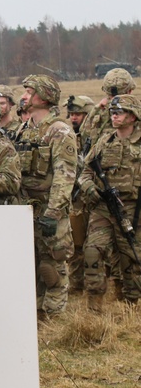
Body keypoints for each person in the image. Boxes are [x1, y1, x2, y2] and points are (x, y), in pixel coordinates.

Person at [14, 74, 77, 318]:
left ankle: (53, 322)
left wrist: (53, 212)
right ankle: (35, 319)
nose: (24, 96)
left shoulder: (59, 131)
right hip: (25, 211)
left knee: (52, 268)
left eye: (29, 92)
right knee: (31, 267)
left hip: (49, 213)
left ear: (44, 96)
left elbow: (65, 175)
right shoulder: (24, 129)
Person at [77, 94, 141, 311]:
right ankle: (94, 308)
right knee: (92, 252)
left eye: (120, 112)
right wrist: (88, 187)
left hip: (133, 210)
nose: (115, 116)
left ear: (133, 116)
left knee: (131, 259)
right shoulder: (104, 141)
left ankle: (132, 307)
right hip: (103, 208)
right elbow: (85, 170)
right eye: (113, 112)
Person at [66, 94, 96, 293]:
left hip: (95, 198)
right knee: (76, 243)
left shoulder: (98, 139)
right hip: (76, 198)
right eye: (71, 114)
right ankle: (77, 285)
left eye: (78, 114)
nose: (74, 118)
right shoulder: (68, 137)